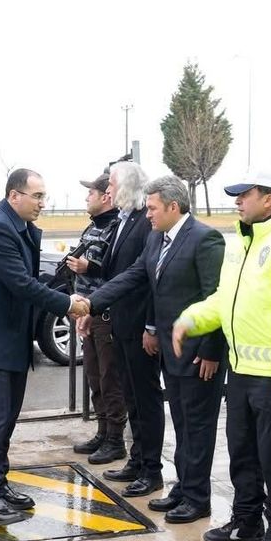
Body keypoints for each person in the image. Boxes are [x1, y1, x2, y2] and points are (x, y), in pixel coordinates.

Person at [172, 162, 271, 541]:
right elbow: (223, 300)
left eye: (245, 194)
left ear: (269, 199)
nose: (237, 202)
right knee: (241, 451)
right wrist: (190, 319)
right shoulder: (239, 243)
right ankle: (245, 519)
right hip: (241, 370)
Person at [83, 176, 227, 525]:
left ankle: (198, 499)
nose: (147, 214)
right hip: (171, 352)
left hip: (198, 354)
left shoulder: (205, 239)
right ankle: (183, 488)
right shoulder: (155, 239)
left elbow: (217, 297)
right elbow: (134, 276)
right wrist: (90, 303)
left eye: (152, 208)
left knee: (197, 428)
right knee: (182, 424)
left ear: (173, 207)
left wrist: (211, 351)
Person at [0, 168, 88, 526]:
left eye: (44, 196)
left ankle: (0, 486)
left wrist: (60, 284)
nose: (43, 203)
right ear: (14, 196)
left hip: (9, 340)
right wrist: (67, 304)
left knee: (6, 421)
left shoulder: (17, 227)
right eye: (37, 196)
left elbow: (27, 279)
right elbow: (20, 284)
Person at [95, 161, 165, 498]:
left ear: (126, 186)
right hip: (121, 324)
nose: (107, 189)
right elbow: (117, 273)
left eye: (111, 183)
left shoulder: (145, 223)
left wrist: (151, 326)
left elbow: (149, 280)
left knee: (145, 400)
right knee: (131, 398)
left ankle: (152, 469)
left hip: (139, 328)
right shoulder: (125, 220)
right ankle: (137, 460)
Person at [67, 172, 127, 465]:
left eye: (90, 192)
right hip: (88, 312)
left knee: (109, 377)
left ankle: (115, 439)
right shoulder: (93, 226)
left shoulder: (117, 228)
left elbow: (118, 272)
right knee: (94, 375)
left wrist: (88, 267)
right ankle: (103, 432)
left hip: (105, 313)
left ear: (105, 197)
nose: (86, 197)